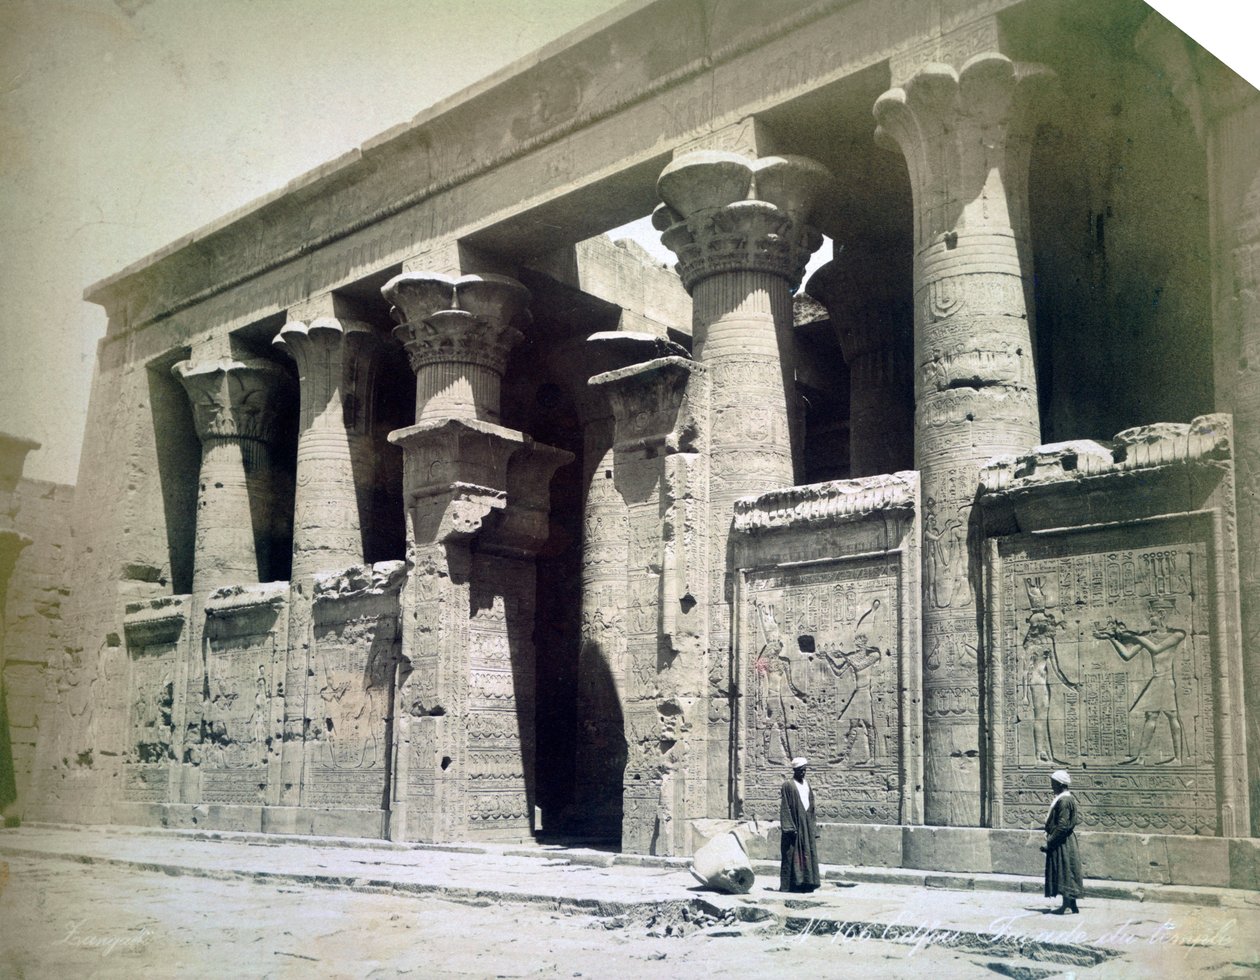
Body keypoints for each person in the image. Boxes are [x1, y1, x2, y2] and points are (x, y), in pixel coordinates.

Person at [1040, 769, 1083, 914]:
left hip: (1062, 841)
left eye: (1053, 783)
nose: (1051, 786)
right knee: (1067, 870)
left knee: (1064, 871)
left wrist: (1050, 841)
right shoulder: (1065, 799)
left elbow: (1062, 825)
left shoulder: (1064, 801)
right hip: (1064, 840)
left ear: (1059, 784)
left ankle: (1067, 906)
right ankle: (1071, 904)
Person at [779, 757, 820, 892]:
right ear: (795, 770)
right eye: (800, 770)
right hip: (795, 825)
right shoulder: (788, 785)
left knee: (807, 852)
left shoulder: (807, 785)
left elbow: (811, 806)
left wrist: (812, 825)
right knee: (793, 855)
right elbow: (785, 807)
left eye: (804, 770)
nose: (803, 773)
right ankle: (793, 885)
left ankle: (807, 883)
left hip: (806, 825)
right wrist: (789, 827)